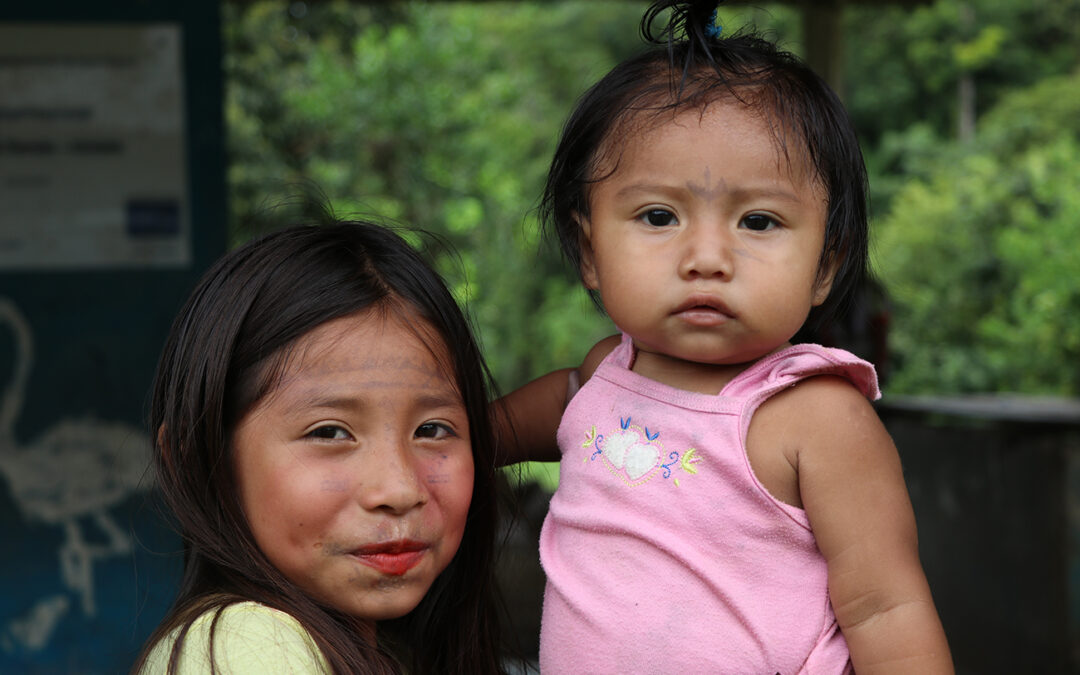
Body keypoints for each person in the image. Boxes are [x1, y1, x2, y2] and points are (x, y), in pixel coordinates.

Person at [496, 1, 952, 672]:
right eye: (659, 215)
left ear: (826, 263)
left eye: (759, 222)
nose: (707, 256)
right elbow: (512, 424)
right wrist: (442, 440)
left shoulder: (814, 416)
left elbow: (885, 606)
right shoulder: (604, 374)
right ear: (589, 250)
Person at [134, 219, 504, 674]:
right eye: (329, 432)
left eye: (431, 430)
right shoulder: (243, 646)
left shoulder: (377, 652)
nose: (401, 489)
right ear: (198, 462)